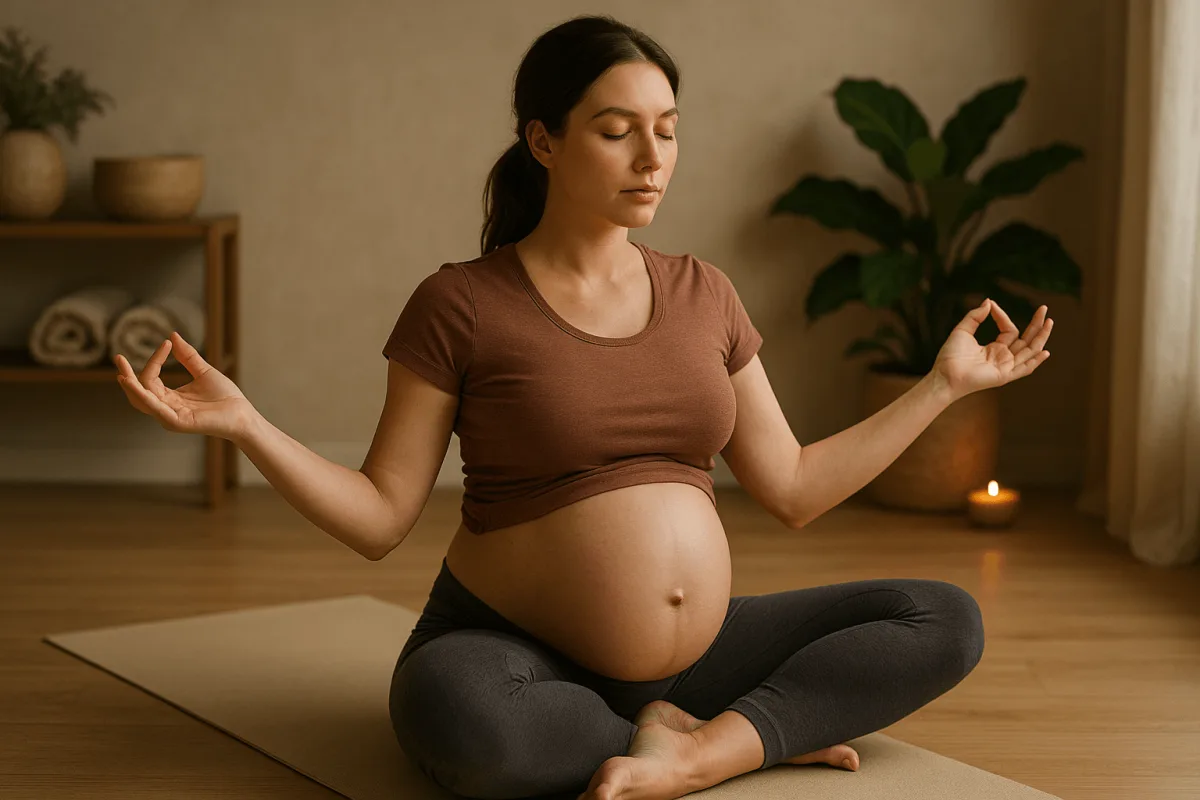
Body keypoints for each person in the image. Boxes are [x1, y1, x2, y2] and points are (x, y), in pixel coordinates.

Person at [114, 14, 1054, 800]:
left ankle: (701, 746)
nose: (654, 157)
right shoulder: (462, 303)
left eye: (669, 128)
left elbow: (795, 488)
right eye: (618, 130)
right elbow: (380, 518)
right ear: (544, 140)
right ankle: (735, 735)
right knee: (465, 722)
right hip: (516, 653)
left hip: (704, 651)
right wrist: (245, 425)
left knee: (942, 619)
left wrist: (942, 387)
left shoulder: (705, 294)